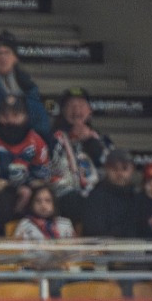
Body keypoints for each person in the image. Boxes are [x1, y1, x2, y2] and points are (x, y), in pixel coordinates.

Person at [0, 94, 49, 231]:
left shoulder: (37, 141)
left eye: (16, 115)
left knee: (45, 198)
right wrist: (17, 189)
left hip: (28, 188)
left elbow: (41, 176)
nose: (10, 120)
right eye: (4, 115)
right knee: (3, 199)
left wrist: (28, 189)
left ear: (25, 116)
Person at [0, 31, 50, 139]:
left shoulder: (27, 85)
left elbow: (40, 119)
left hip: (26, 138)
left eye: (7, 53)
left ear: (15, 58)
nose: (2, 57)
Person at [47, 86, 110, 221]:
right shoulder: (53, 138)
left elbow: (110, 166)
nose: (76, 110)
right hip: (64, 195)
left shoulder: (100, 139)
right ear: (63, 111)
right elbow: (49, 165)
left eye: (81, 105)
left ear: (90, 111)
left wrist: (91, 143)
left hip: (95, 195)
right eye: (71, 106)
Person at [80, 147, 143, 238]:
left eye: (124, 168)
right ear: (106, 169)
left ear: (132, 170)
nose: (120, 173)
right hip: (108, 246)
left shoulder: (139, 196)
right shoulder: (96, 197)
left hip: (138, 245)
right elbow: (94, 232)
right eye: (114, 169)